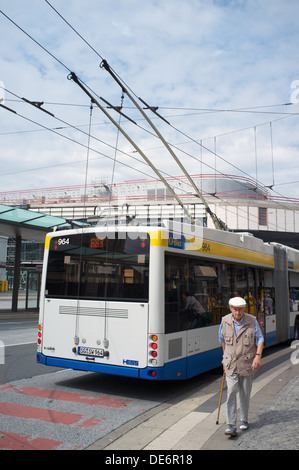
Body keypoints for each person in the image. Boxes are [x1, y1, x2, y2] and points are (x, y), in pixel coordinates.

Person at [218, 296, 264, 437]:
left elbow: (260, 339)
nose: (237, 313)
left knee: (245, 392)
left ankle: (244, 419)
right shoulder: (225, 321)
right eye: (235, 310)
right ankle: (231, 425)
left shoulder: (252, 320)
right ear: (231, 309)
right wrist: (225, 356)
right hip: (231, 363)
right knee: (231, 392)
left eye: (240, 310)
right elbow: (222, 339)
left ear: (244, 309)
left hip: (247, 362)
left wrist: (258, 356)